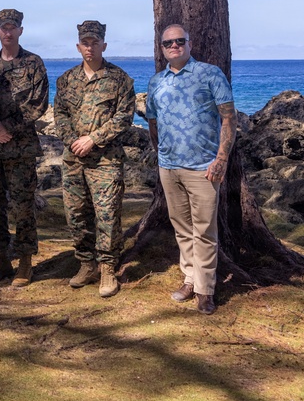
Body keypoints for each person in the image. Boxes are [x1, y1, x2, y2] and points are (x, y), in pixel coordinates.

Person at [146, 24, 235, 315]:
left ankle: (205, 290)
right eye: (168, 43)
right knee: (183, 229)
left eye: (179, 41)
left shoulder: (210, 74)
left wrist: (221, 159)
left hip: (203, 169)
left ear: (189, 43)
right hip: (169, 168)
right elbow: (153, 121)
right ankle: (189, 278)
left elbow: (228, 118)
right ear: (162, 48)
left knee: (205, 231)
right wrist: (161, 153)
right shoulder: (156, 82)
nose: (174, 45)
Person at [53, 20, 135, 298]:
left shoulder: (119, 79)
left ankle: (108, 267)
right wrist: (73, 141)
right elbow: (60, 115)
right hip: (74, 159)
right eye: (85, 43)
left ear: (104, 45)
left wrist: (93, 139)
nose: (90, 47)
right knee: (76, 214)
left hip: (105, 160)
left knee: (107, 214)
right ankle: (87, 264)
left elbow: (123, 117)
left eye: (94, 43)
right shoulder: (66, 80)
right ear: (78, 47)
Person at [0, 8, 49, 288]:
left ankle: (25, 261)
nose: (8, 32)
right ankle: (1, 258)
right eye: (4, 27)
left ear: (21, 30)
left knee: (23, 206)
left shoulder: (33, 63)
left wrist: (7, 127)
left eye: (13, 27)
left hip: (20, 148)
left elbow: (38, 104)